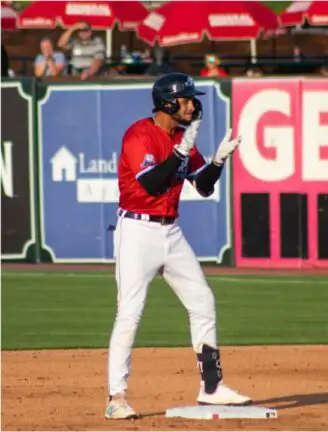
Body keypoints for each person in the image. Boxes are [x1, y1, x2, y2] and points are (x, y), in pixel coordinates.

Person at [105, 73, 246, 420]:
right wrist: (181, 152)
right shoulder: (139, 134)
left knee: (202, 299)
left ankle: (211, 388)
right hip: (137, 231)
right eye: (184, 99)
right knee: (130, 312)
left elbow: (203, 187)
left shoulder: (183, 137)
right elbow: (152, 184)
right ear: (167, 102)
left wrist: (216, 162)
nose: (191, 104)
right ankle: (116, 397)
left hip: (171, 231)